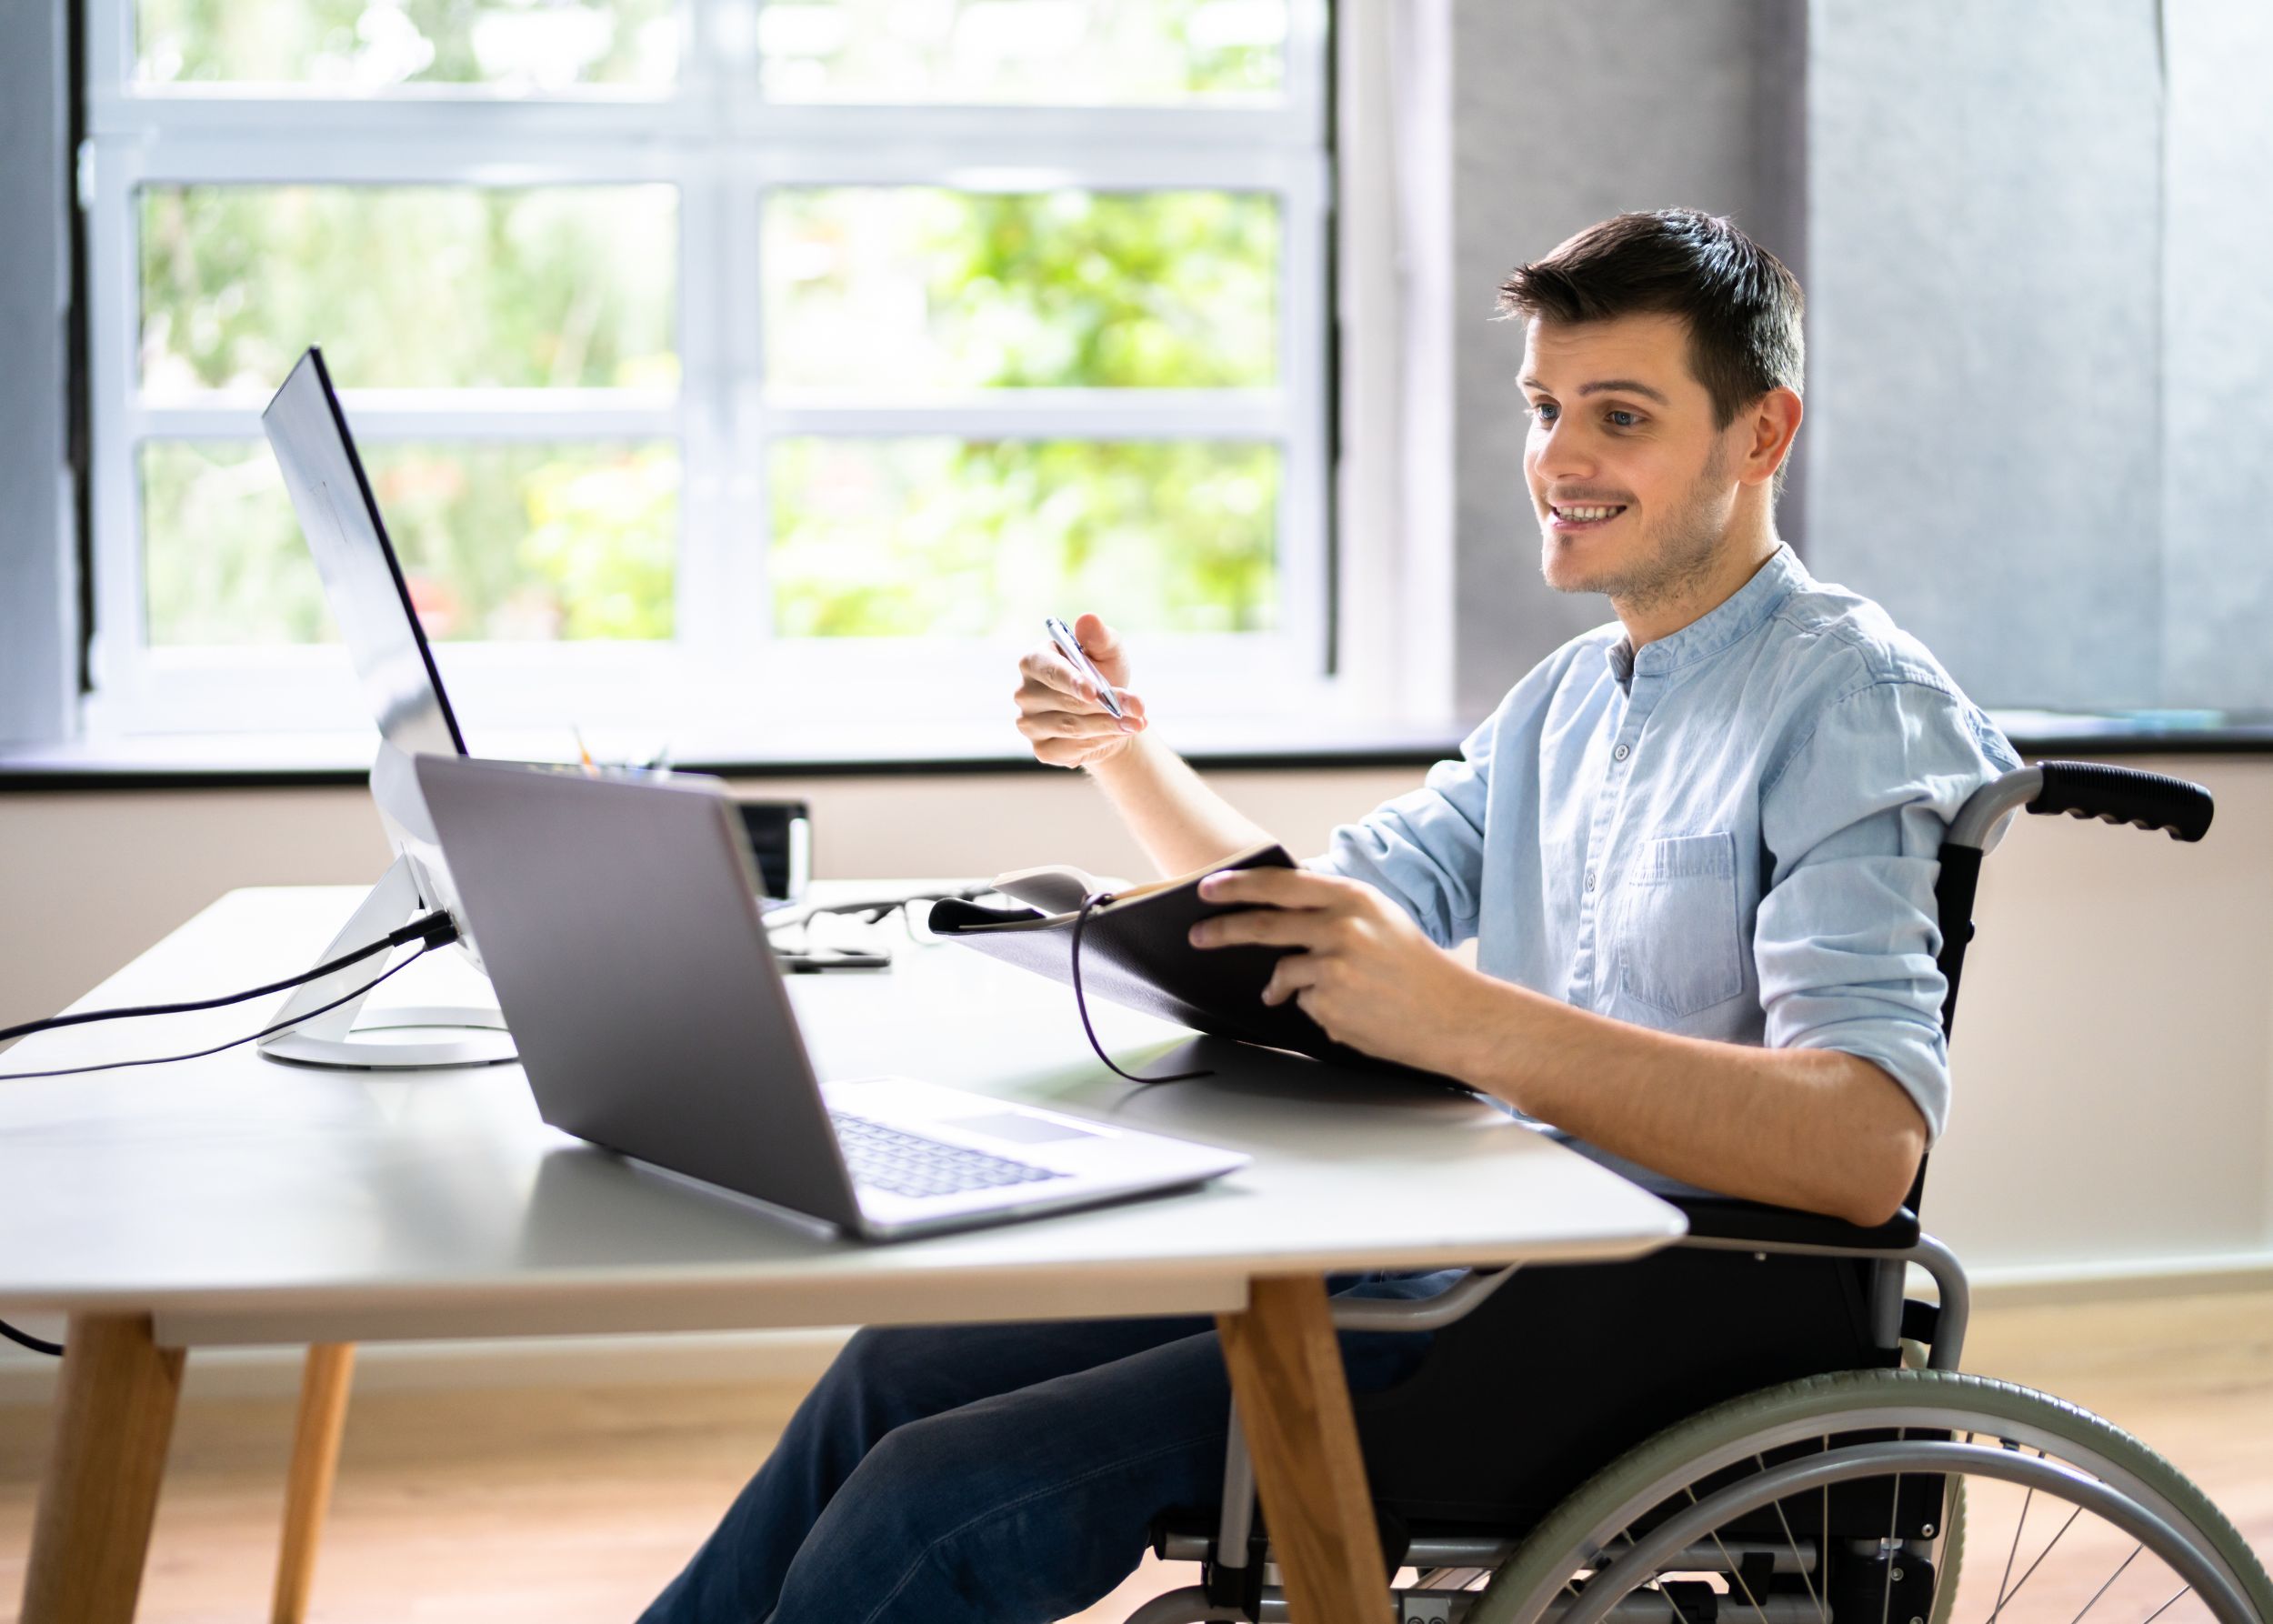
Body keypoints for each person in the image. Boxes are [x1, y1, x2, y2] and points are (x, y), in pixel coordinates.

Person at [640, 208, 2018, 1624]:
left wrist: (1464, 1018)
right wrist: (1124, 751)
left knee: (934, 1497)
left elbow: (1863, 1143)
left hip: (1606, 1330)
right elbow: (1330, 912)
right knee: (888, 1370)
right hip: (1447, 1260)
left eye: (1621, 415)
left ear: (1760, 434)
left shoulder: (1849, 700)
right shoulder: (1562, 703)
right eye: (1545, 408)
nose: (1558, 458)